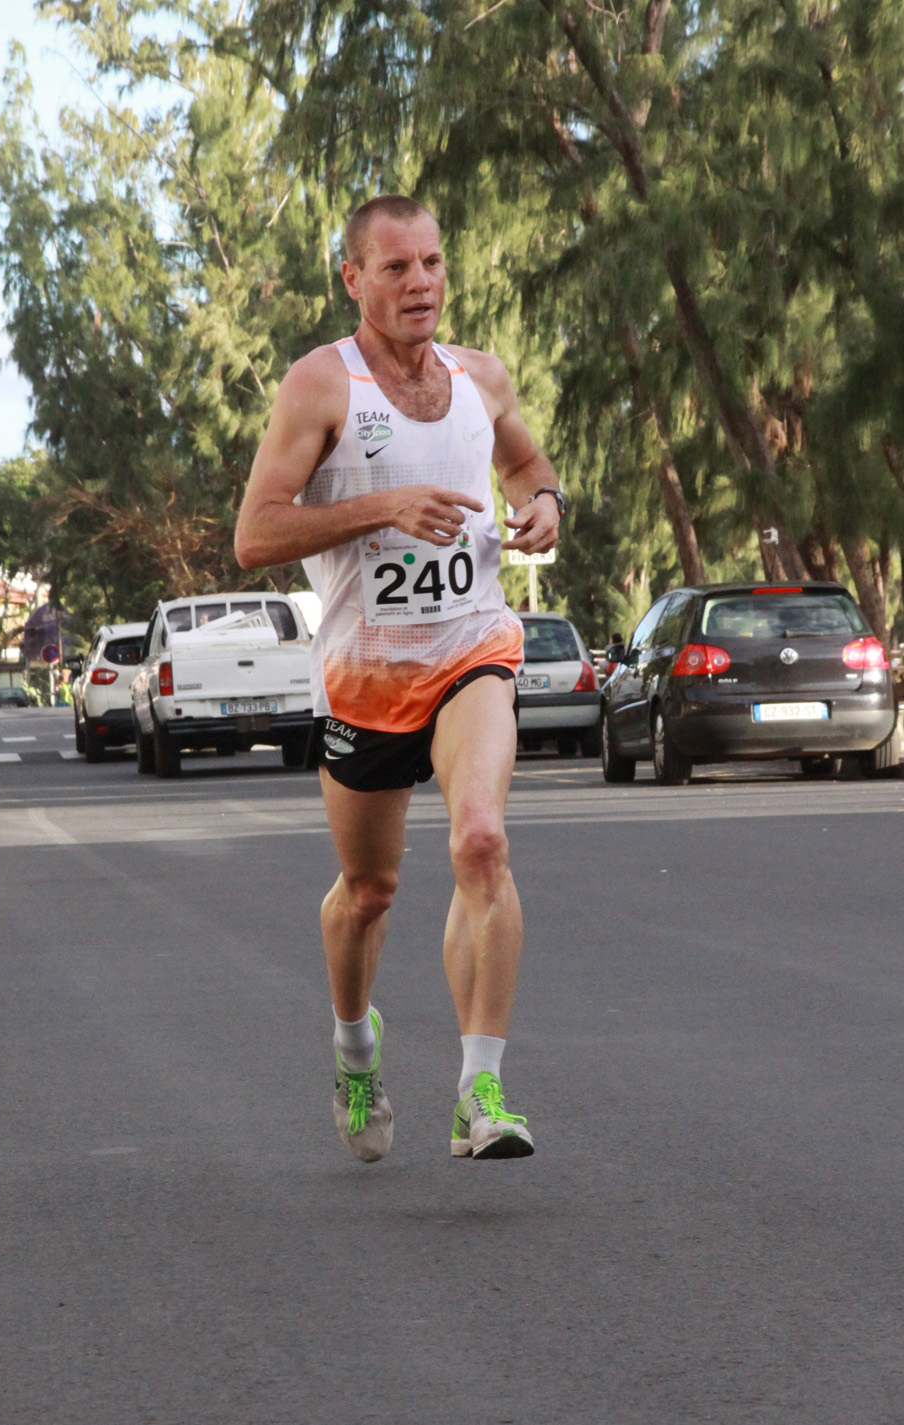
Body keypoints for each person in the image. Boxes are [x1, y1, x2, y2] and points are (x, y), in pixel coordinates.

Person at [235, 195, 565, 1163]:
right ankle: (353, 1042)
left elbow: (526, 460)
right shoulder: (318, 387)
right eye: (395, 269)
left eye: (431, 262)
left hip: (472, 648)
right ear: (353, 280)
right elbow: (255, 533)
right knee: (369, 889)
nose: (419, 283)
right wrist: (381, 508)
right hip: (366, 674)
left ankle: (480, 1091)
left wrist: (543, 501)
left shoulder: (481, 377)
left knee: (480, 840)